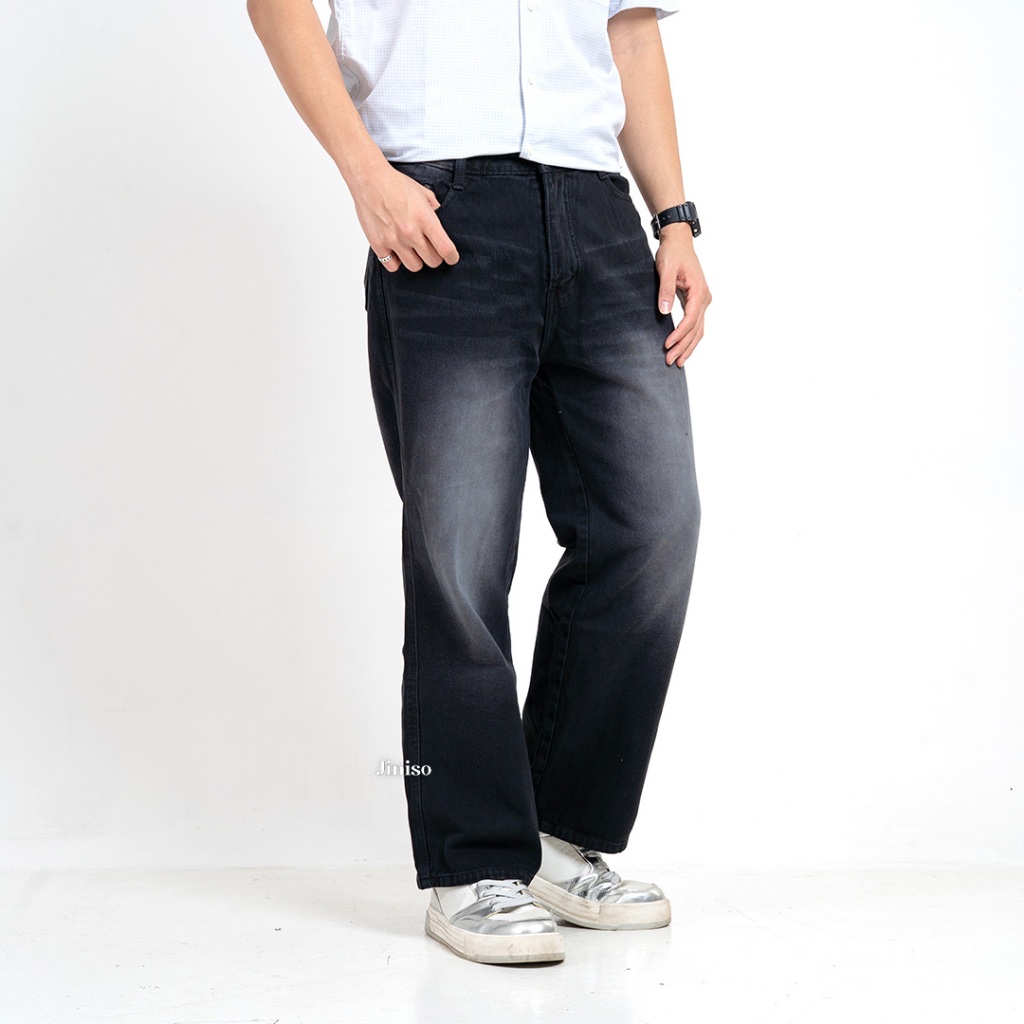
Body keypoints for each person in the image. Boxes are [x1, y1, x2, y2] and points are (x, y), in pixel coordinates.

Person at [247, 0, 711, 965]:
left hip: (596, 209)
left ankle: (556, 836)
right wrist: (366, 174)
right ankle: (473, 862)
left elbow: (629, 30)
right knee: (460, 555)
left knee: (654, 525)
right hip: (441, 203)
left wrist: (673, 216)